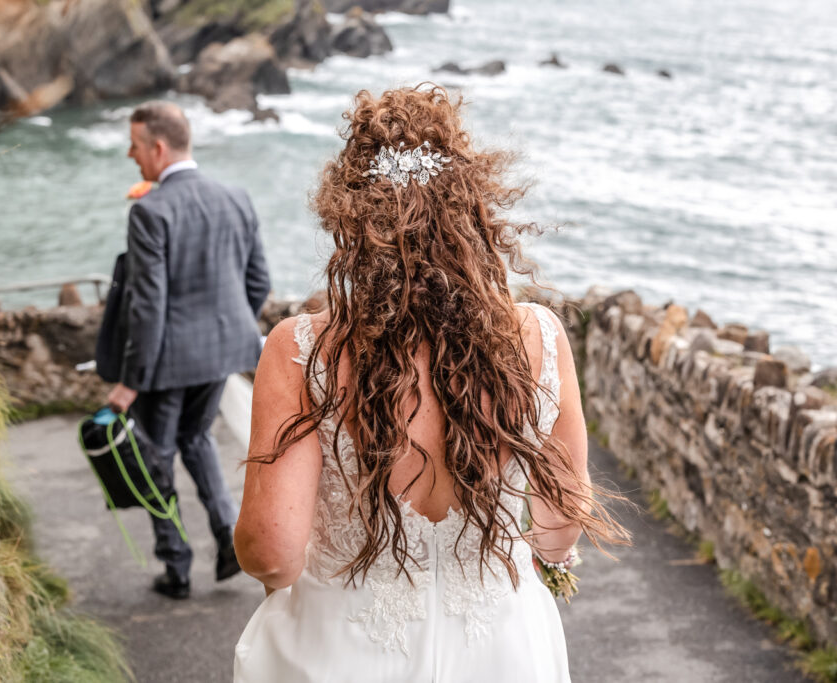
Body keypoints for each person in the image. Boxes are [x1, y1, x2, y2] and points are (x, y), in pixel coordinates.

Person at [232, 86, 629, 681]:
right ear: (473, 210)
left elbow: (272, 552)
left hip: (344, 650)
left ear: (350, 220)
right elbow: (555, 530)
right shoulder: (539, 338)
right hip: (502, 650)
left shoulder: (302, 349)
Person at [106, 101, 271, 600]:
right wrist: (225, 329)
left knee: (157, 454)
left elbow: (148, 307)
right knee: (197, 438)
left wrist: (130, 380)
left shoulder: (150, 211)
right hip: (222, 353)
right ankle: (226, 540)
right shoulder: (236, 196)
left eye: (134, 146)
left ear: (157, 147)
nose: (131, 155)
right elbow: (259, 281)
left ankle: (176, 567)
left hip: (166, 362)